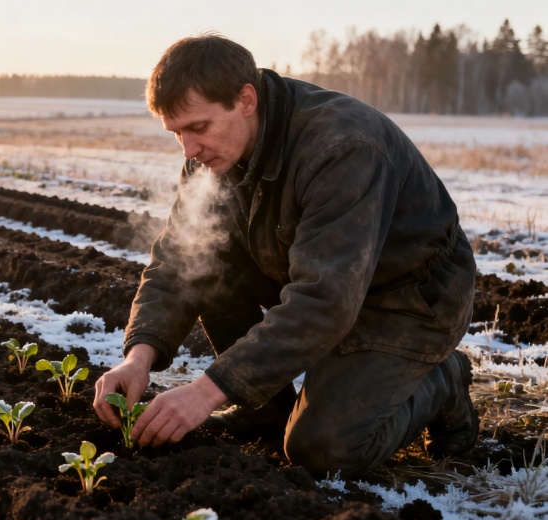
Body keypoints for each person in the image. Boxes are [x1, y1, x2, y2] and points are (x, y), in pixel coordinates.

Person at [92, 33, 478, 477]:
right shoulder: (213, 155)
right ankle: (266, 411)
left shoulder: (341, 147)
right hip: (319, 277)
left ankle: (442, 379)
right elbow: (178, 261)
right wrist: (137, 359)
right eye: (177, 133)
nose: (189, 150)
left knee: (322, 451)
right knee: (205, 261)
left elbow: (324, 301)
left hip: (409, 299)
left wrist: (207, 391)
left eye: (198, 127)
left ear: (246, 100)